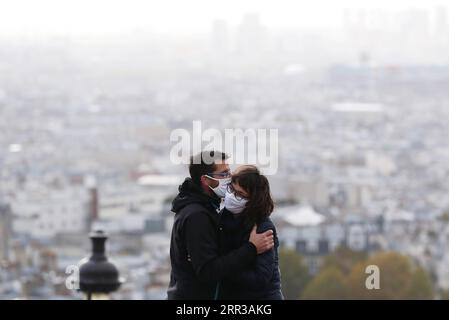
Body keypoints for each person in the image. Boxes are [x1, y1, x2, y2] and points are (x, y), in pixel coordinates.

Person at [167, 151, 274, 300]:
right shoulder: (197, 216)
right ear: (205, 180)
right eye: (223, 174)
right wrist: (251, 248)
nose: (229, 179)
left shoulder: (208, 208)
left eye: (229, 172)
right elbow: (208, 272)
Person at [218, 165, 283, 300]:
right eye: (231, 189)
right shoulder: (223, 218)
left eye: (240, 194)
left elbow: (260, 279)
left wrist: (223, 268)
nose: (232, 196)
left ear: (253, 200)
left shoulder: (262, 228)